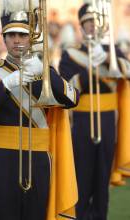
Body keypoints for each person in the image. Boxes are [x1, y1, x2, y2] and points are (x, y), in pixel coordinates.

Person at [0, 1, 79, 220]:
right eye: (11, 35)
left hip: (39, 159)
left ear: (31, 37)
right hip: (2, 160)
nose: (17, 41)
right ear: (4, 38)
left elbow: (72, 98)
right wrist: (7, 84)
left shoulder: (44, 72)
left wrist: (47, 72)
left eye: (22, 34)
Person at [58, 3, 130, 220]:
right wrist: (91, 67)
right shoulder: (70, 54)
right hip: (81, 121)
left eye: (96, 21)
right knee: (82, 177)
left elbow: (127, 71)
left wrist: (106, 57)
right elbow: (67, 87)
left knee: (102, 180)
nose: (92, 26)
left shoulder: (112, 51)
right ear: (81, 25)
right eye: (88, 22)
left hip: (108, 121)